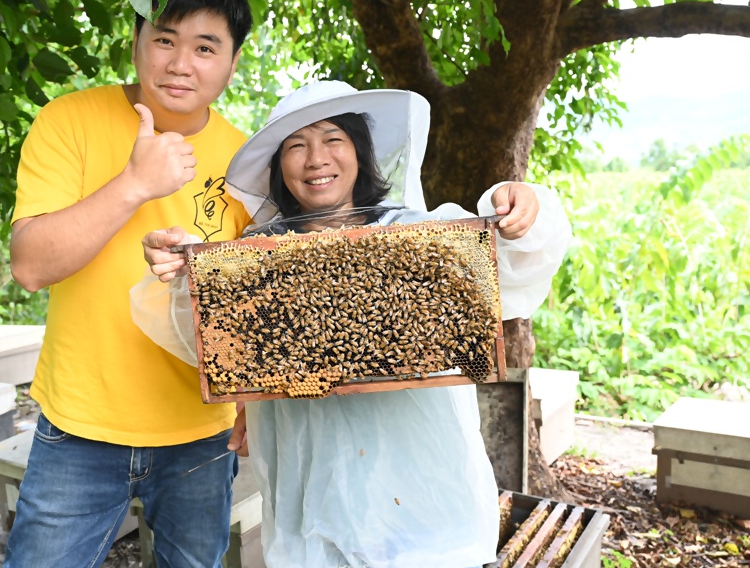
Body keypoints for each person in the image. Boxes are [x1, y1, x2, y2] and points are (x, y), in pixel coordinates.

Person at [137, 80, 572, 568]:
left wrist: (520, 208)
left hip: (426, 509)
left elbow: (517, 261)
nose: (315, 157)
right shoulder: (255, 261)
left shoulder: (421, 234)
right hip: (311, 503)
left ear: (360, 154)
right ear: (279, 167)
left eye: (332, 139)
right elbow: (203, 337)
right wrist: (181, 271)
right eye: (297, 145)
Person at [5, 0, 254, 568]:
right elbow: (30, 266)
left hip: (201, 432)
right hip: (79, 427)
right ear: (136, 41)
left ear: (231, 62)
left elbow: (254, 300)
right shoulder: (69, 121)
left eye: (204, 46)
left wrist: (252, 401)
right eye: (164, 39)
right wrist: (135, 184)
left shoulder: (248, 160)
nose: (179, 63)